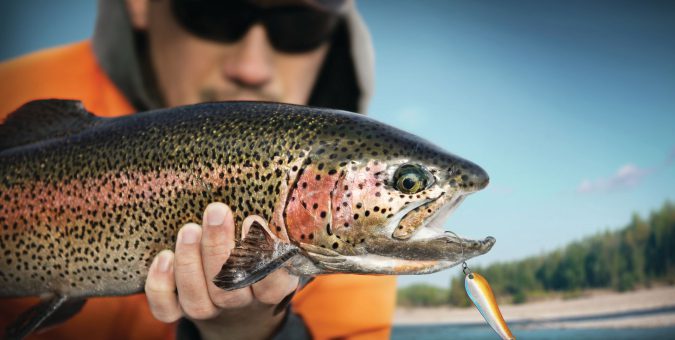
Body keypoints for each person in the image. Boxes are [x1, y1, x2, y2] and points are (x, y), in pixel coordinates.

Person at [0, 0, 396, 339]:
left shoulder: (354, 208)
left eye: (298, 27)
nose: (251, 67)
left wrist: (254, 333)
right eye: (214, 12)